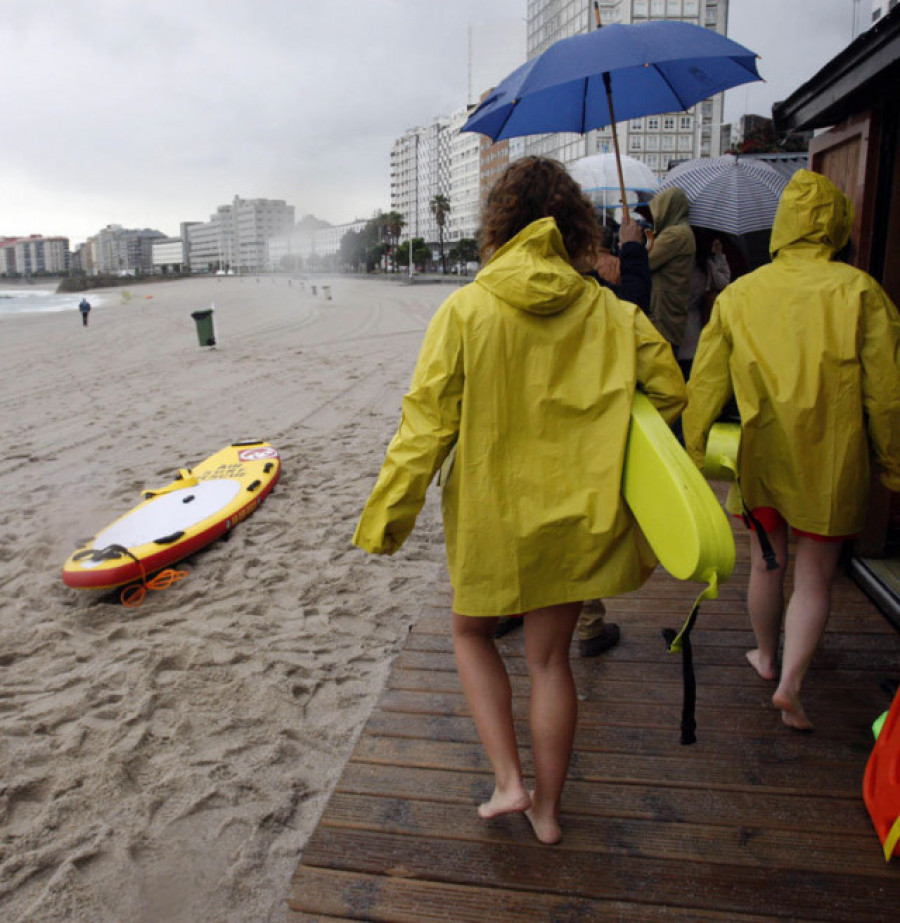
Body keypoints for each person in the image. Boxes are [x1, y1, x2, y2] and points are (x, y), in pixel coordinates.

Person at [353, 156, 686, 844]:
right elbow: (673, 390)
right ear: (574, 230)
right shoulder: (609, 310)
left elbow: (426, 425)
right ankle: (549, 812)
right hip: (576, 517)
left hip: (492, 519)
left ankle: (508, 778)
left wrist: (388, 518)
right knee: (549, 662)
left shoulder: (466, 309)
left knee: (472, 633)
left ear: (498, 227)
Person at [683, 169, 900, 731]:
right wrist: (894, 467)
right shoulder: (860, 292)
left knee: (765, 562)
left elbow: (705, 383)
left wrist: (696, 446)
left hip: (761, 454)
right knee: (816, 577)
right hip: (835, 458)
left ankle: (766, 656)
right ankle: (792, 683)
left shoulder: (739, 294)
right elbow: (887, 393)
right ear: (837, 225)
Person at [497, 214, 652, 655]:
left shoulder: (483, 299)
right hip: (579, 432)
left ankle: (507, 609)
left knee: (520, 518)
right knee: (573, 525)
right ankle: (586, 624)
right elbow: (642, 322)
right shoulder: (597, 295)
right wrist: (633, 251)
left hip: (512, 440)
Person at [646, 187, 696, 361]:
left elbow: (647, 260)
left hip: (663, 313)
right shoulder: (682, 231)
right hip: (670, 311)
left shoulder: (675, 235)